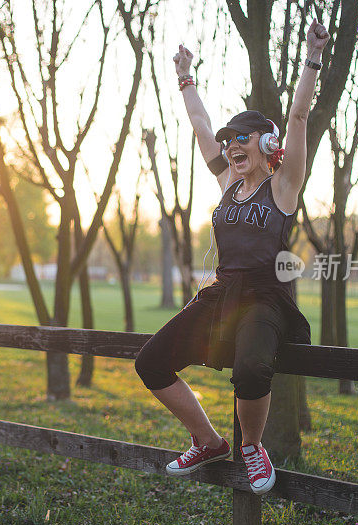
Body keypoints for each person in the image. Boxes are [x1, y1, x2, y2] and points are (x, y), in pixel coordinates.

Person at [134, 20, 329, 495]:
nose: (232, 146)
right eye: (231, 141)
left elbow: (300, 117)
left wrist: (313, 58)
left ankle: (253, 447)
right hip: (222, 293)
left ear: (266, 145)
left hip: (265, 297)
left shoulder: (283, 187)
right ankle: (207, 440)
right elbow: (201, 125)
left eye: (243, 139)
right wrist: (185, 77)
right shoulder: (227, 185)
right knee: (151, 362)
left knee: (251, 368)